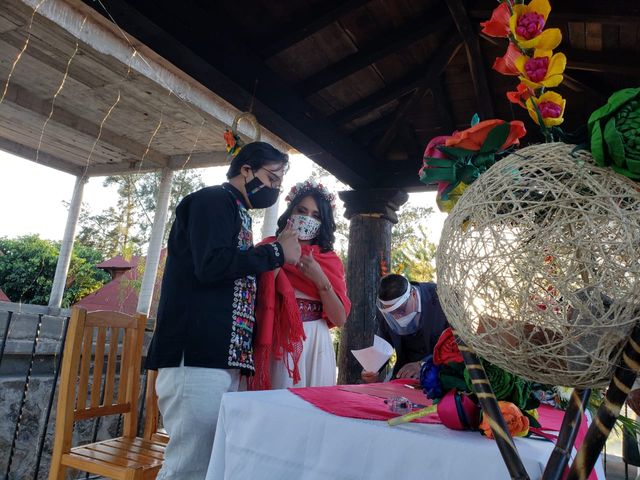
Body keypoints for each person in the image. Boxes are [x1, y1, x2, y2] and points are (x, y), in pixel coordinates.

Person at [145, 141, 300, 480]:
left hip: (220, 357)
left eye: (279, 182)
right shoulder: (212, 200)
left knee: (212, 465)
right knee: (190, 466)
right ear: (246, 170)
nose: (275, 188)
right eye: (272, 178)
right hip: (196, 354)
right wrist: (276, 254)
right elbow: (211, 265)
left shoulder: (235, 210)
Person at [250, 179, 350, 390]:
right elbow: (254, 294)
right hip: (278, 339)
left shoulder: (329, 260)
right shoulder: (267, 247)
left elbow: (339, 318)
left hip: (316, 343)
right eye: (302, 210)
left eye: (316, 216)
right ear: (291, 211)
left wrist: (319, 278)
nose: (307, 219)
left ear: (323, 222)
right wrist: (279, 254)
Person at [361, 274, 449, 383]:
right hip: (403, 376)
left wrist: (422, 364)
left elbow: (455, 345)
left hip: (441, 376)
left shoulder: (441, 298)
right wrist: (372, 369)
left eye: (401, 310)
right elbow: (384, 345)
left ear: (413, 294)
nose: (397, 317)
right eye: (392, 314)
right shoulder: (385, 312)